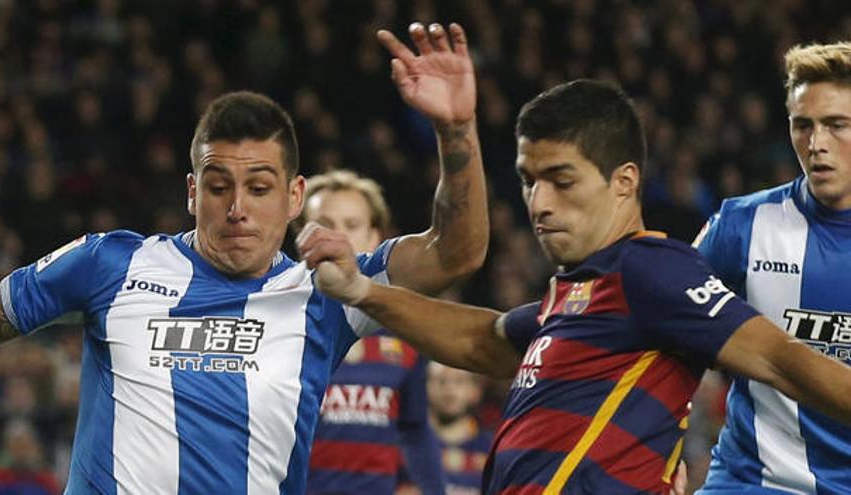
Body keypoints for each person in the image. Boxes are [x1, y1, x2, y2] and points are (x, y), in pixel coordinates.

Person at [0, 21, 488, 493]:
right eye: (220, 187)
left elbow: (456, 253)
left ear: (293, 197)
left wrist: (456, 129)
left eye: (259, 188)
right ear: (193, 193)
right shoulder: (108, 264)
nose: (237, 208)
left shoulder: (326, 293)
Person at [296, 79, 851, 494]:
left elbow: (780, 359)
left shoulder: (652, 271)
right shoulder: (586, 286)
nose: (539, 203)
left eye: (561, 181)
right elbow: (483, 339)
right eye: (528, 181)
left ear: (624, 182)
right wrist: (364, 292)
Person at [694, 41, 851, 494]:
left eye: (836, 125)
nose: (816, 144)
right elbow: (667, 322)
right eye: (803, 125)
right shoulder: (741, 225)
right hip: (752, 482)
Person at [300, 170, 446, 494]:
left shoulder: (404, 330)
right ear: (301, 235)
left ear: (374, 238)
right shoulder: (281, 323)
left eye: (352, 226)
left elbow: (415, 428)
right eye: (324, 224)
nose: (337, 237)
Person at [426, 362, 492, 495]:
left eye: (459, 381)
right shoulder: (407, 446)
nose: (449, 391)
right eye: (441, 381)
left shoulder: (492, 450)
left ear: (475, 391)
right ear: (424, 388)